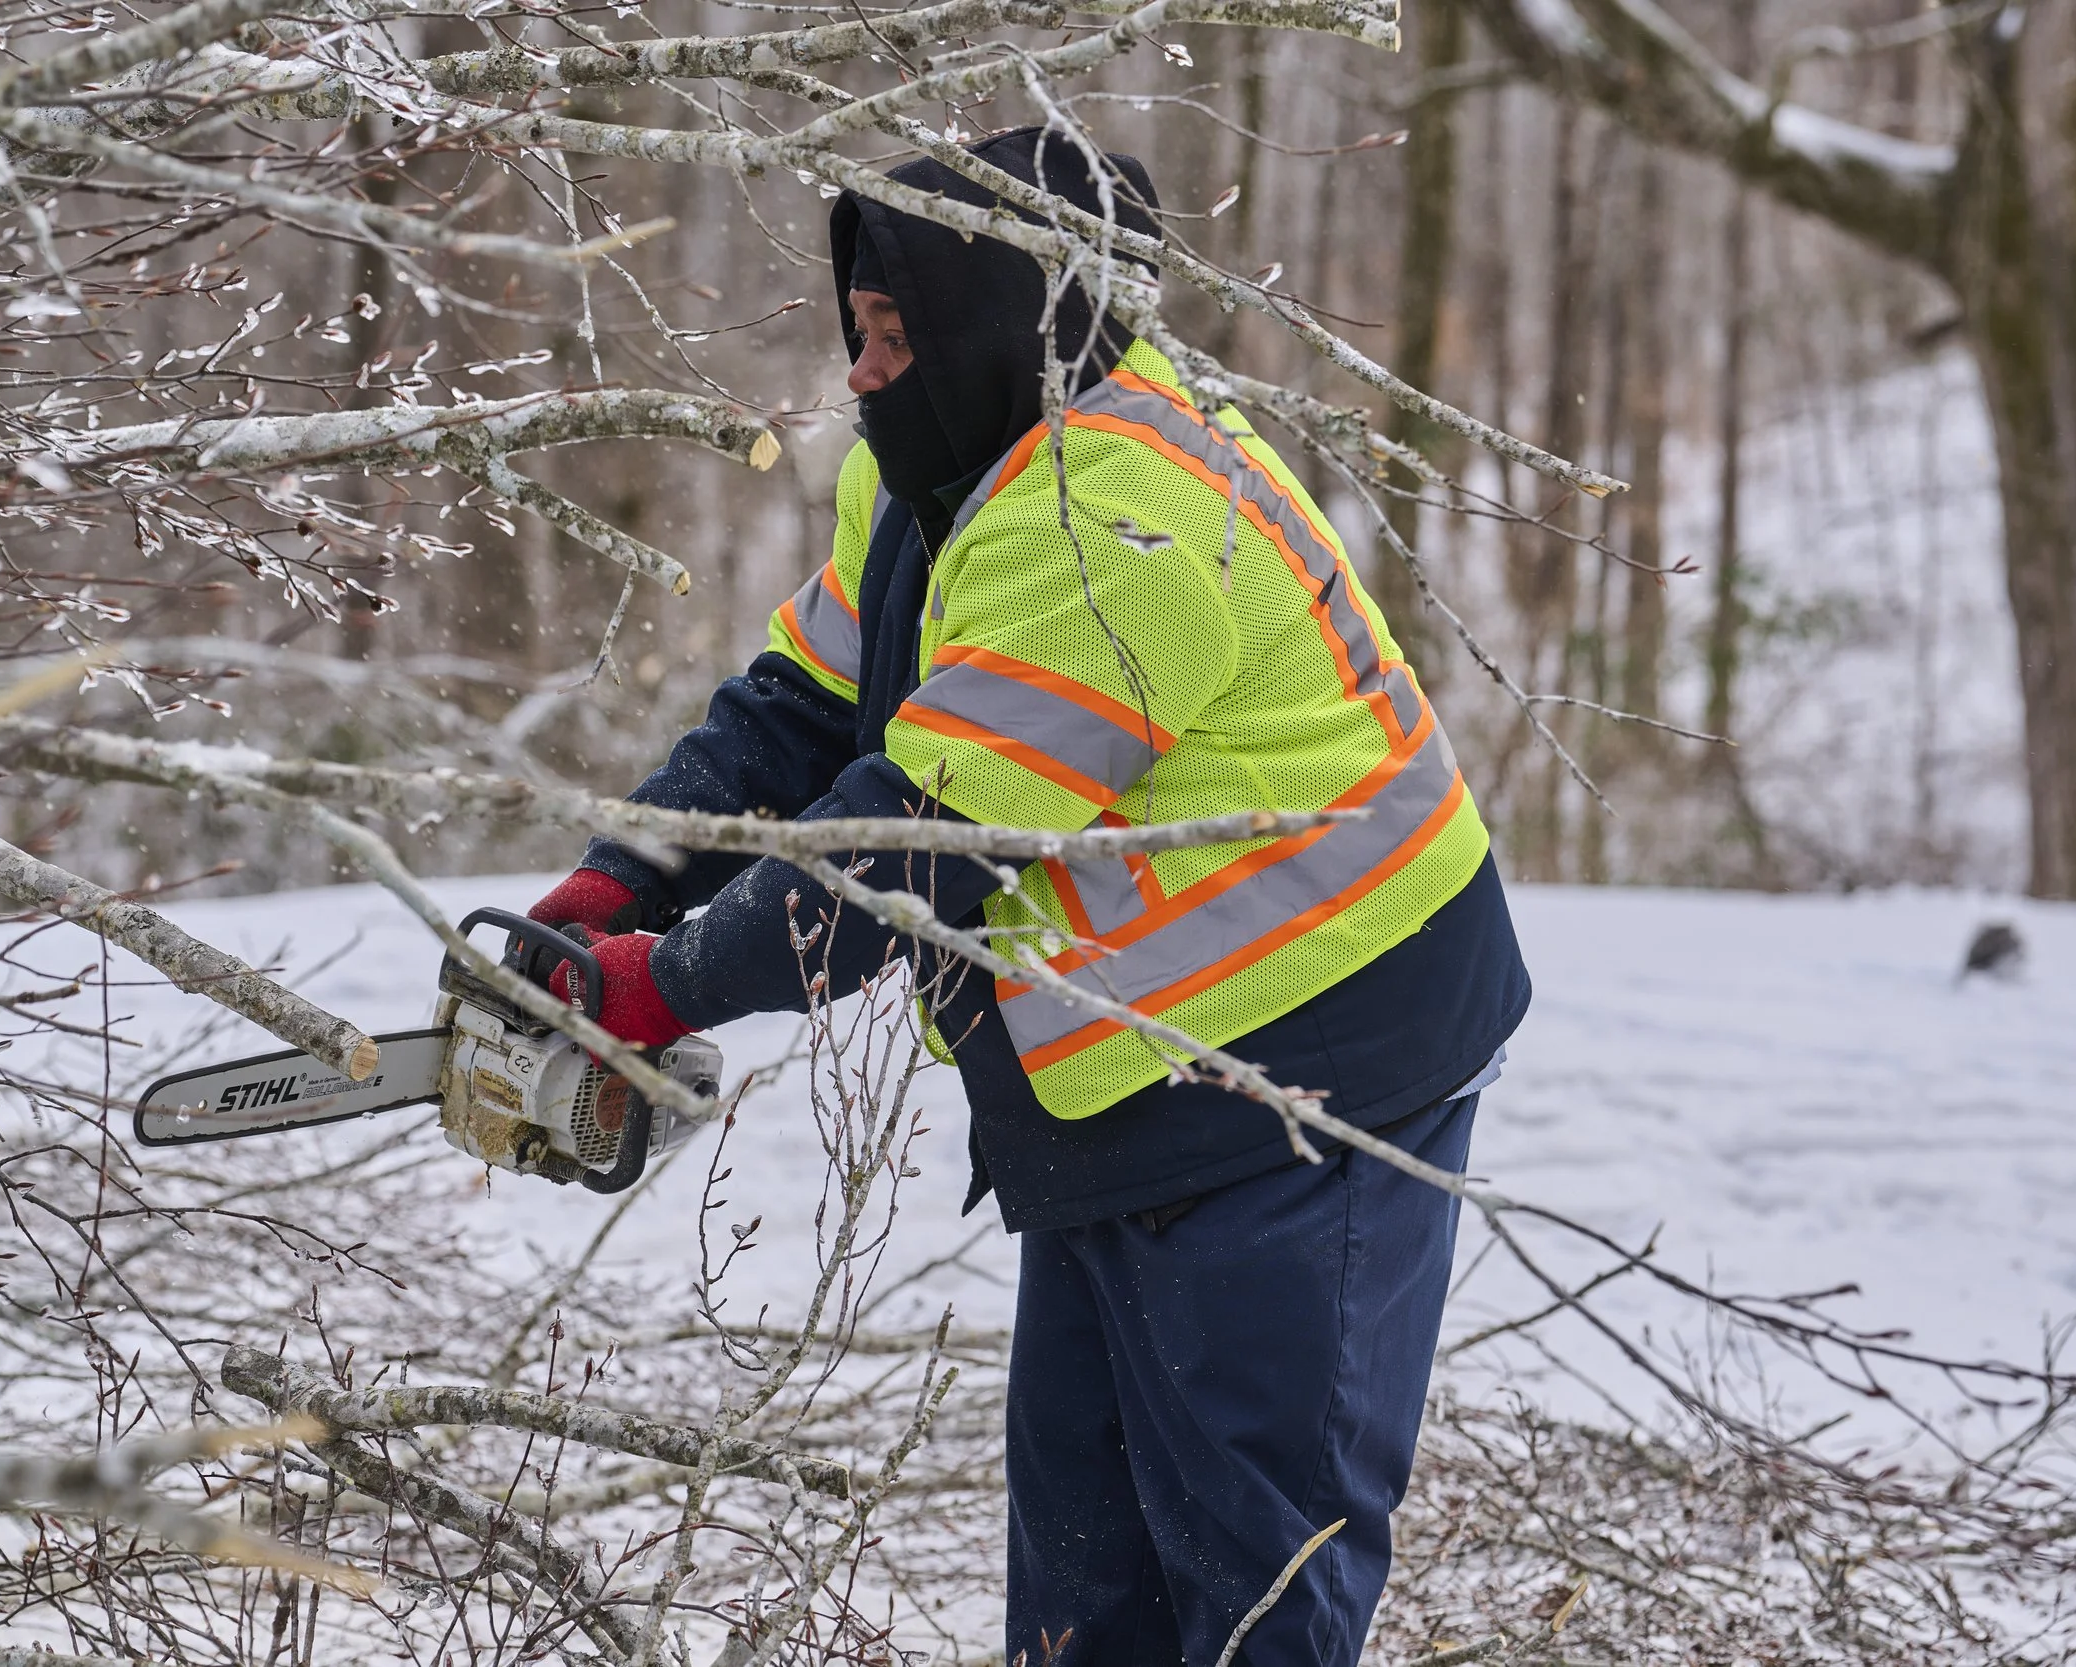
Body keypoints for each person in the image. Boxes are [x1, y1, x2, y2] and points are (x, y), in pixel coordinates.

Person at [523, 129, 1530, 1667]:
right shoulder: (934, 472)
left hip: (1318, 1065)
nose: (864, 373)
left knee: (1261, 1570)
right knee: (1085, 1564)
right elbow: (800, 708)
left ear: (1009, 326)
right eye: (856, 332)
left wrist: (655, 985)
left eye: (896, 334)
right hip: (1121, 1079)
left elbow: (912, 845)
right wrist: (621, 877)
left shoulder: (1121, 519)